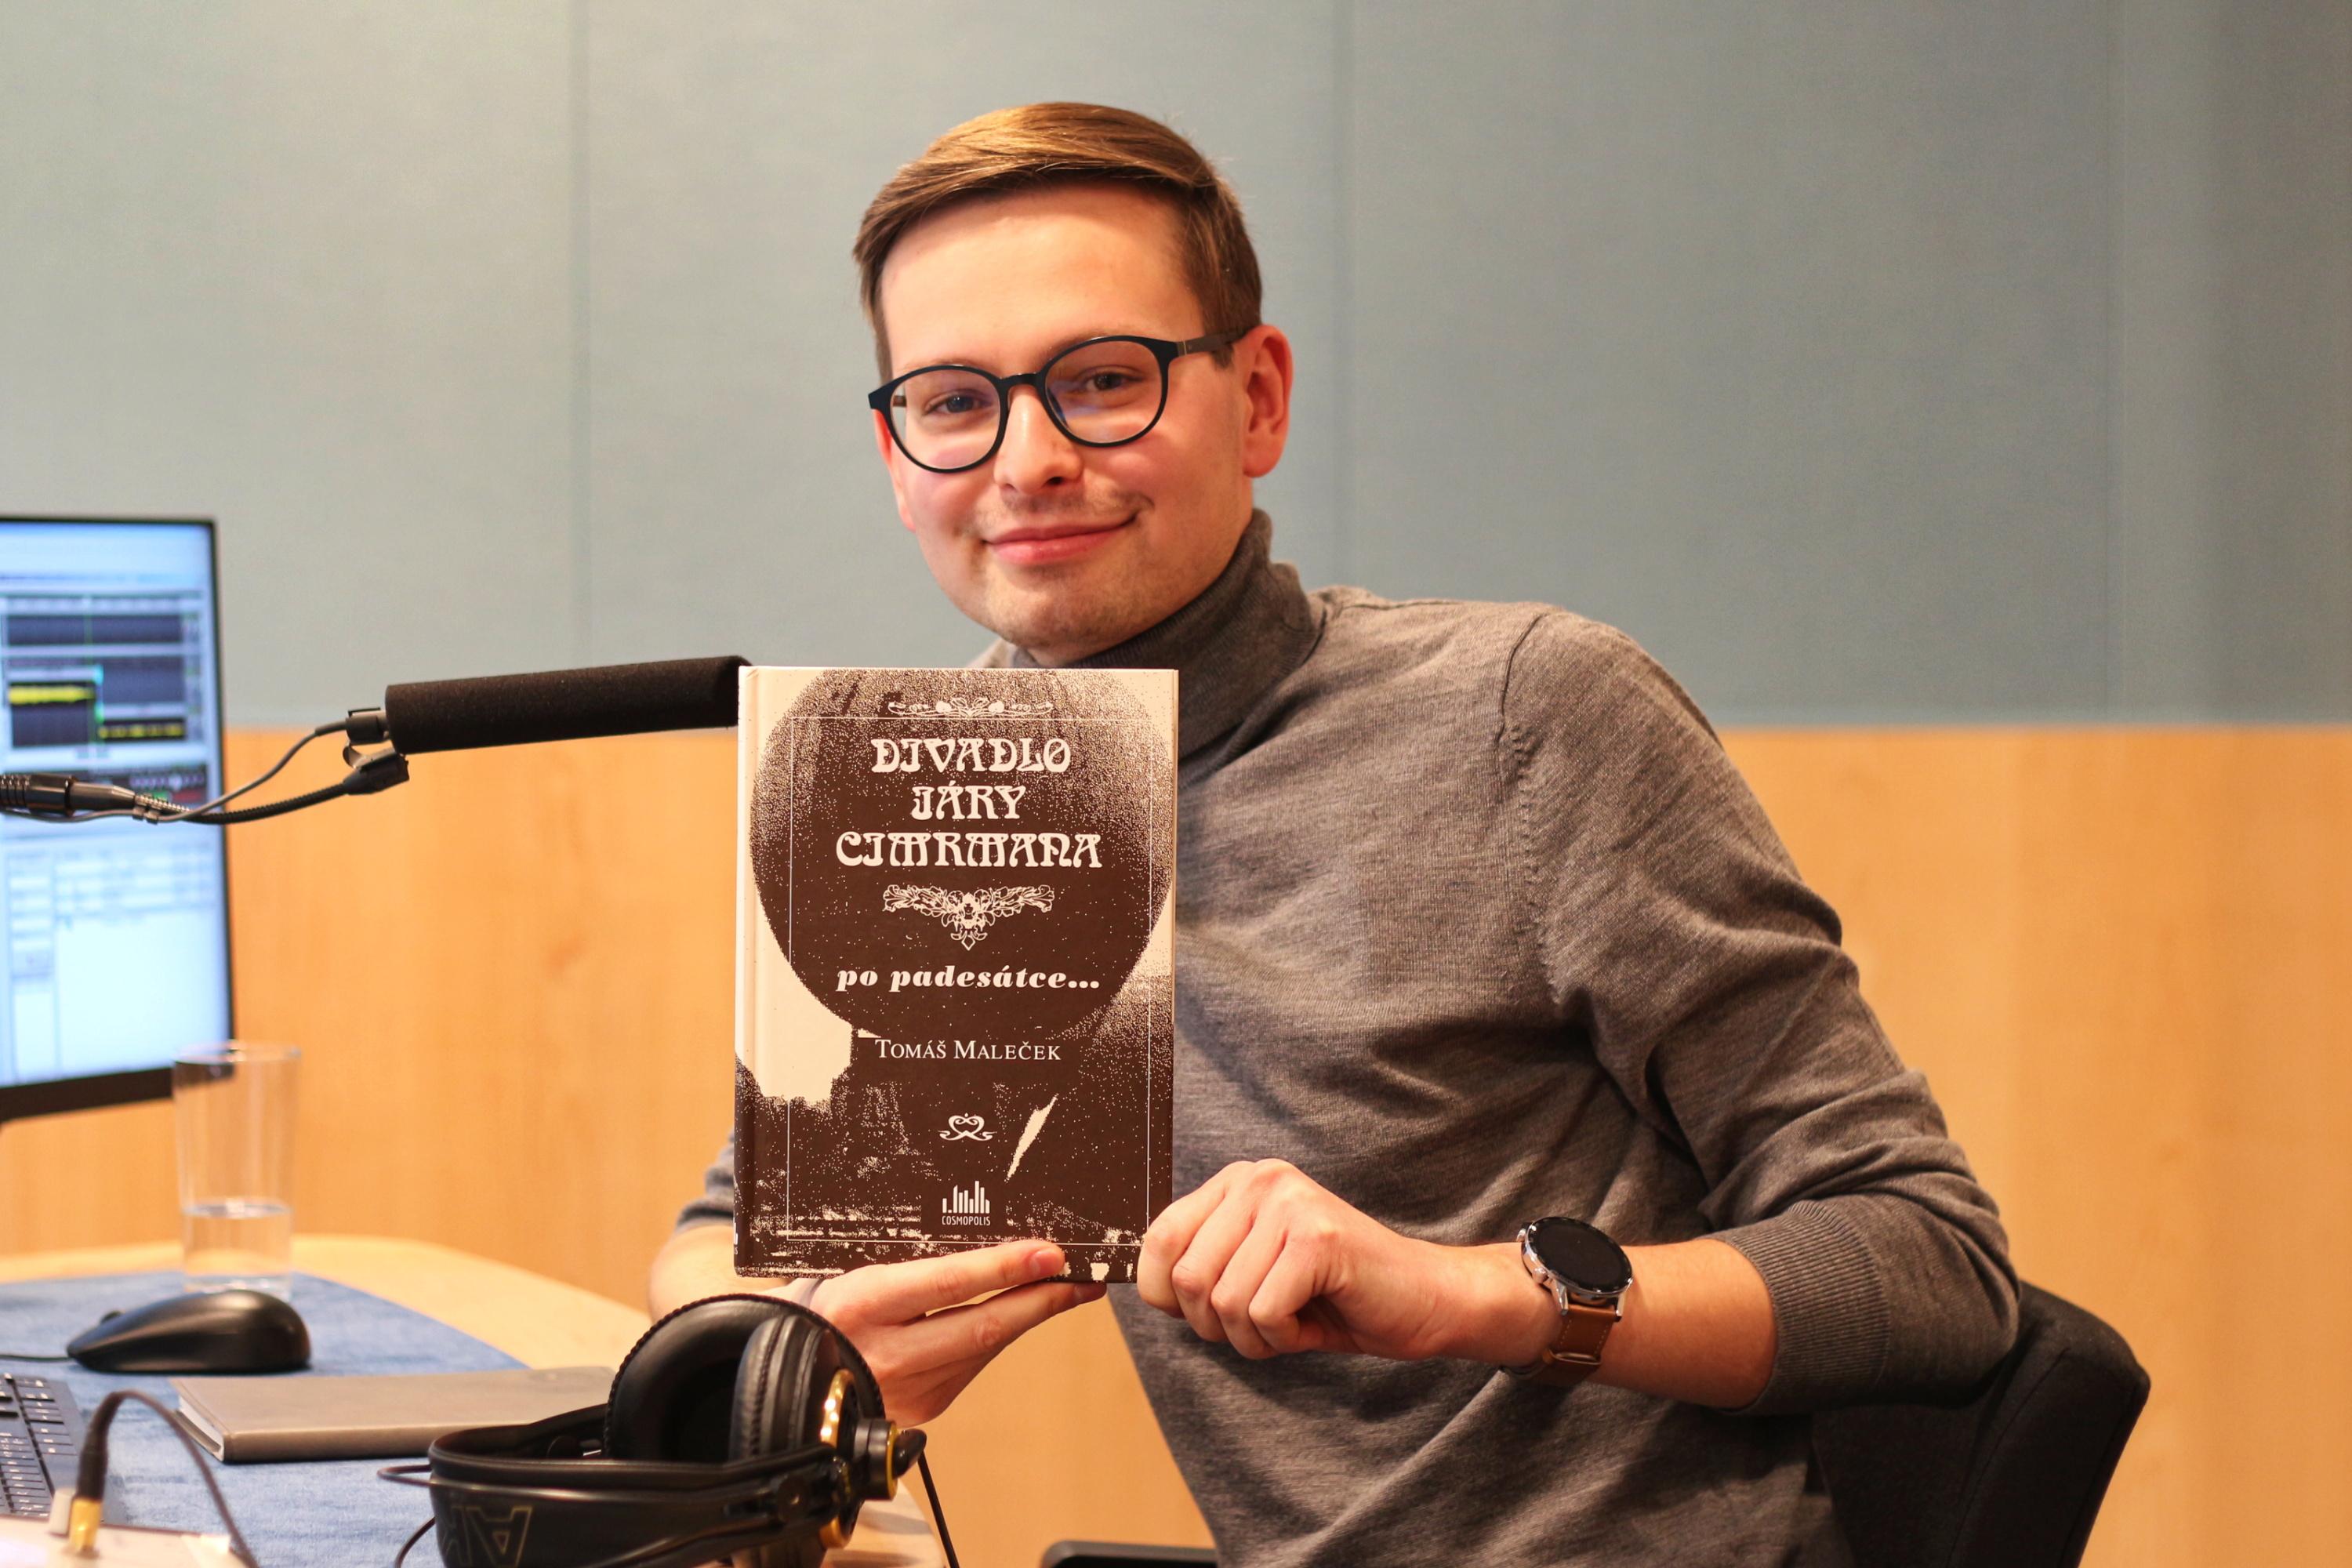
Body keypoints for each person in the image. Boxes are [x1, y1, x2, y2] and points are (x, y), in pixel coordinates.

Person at [649, 102, 2016, 1566]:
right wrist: (787, 1337)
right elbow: (722, 1242)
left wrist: (1465, 1294)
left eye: (1103, 380)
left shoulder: (1528, 714)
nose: (1027, 457)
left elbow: (1931, 1261)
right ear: (896, 451)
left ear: (1257, 400)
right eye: (952, 402)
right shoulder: (952, 778)